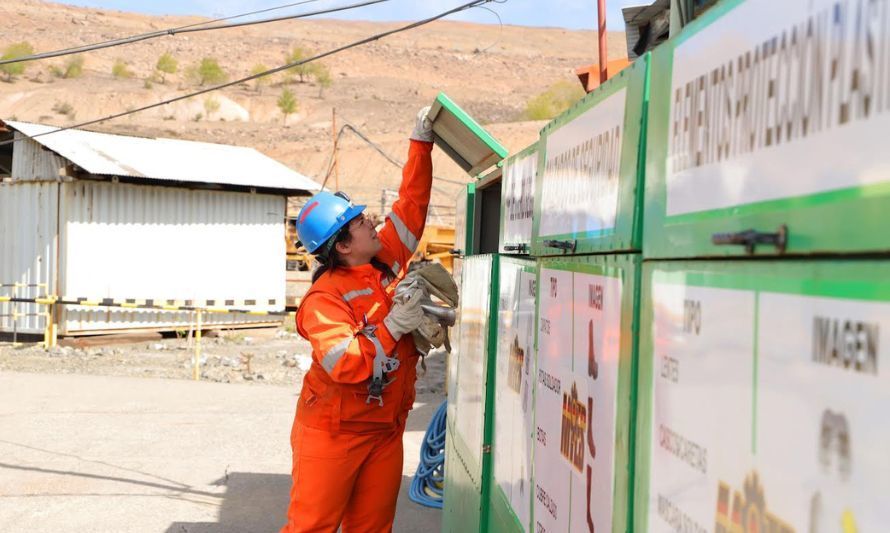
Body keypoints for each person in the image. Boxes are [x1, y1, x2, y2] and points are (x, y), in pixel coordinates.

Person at [281, 107, 435, 533]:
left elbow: (411, 206)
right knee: (312, 527)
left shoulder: (383, 262)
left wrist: (421, 143)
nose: (371, 222)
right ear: (343, 246)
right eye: (358, 222)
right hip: (333, 435)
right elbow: (346, 362)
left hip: (385, 430)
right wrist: (394, 327)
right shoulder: (323, 299)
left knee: (372, 528)